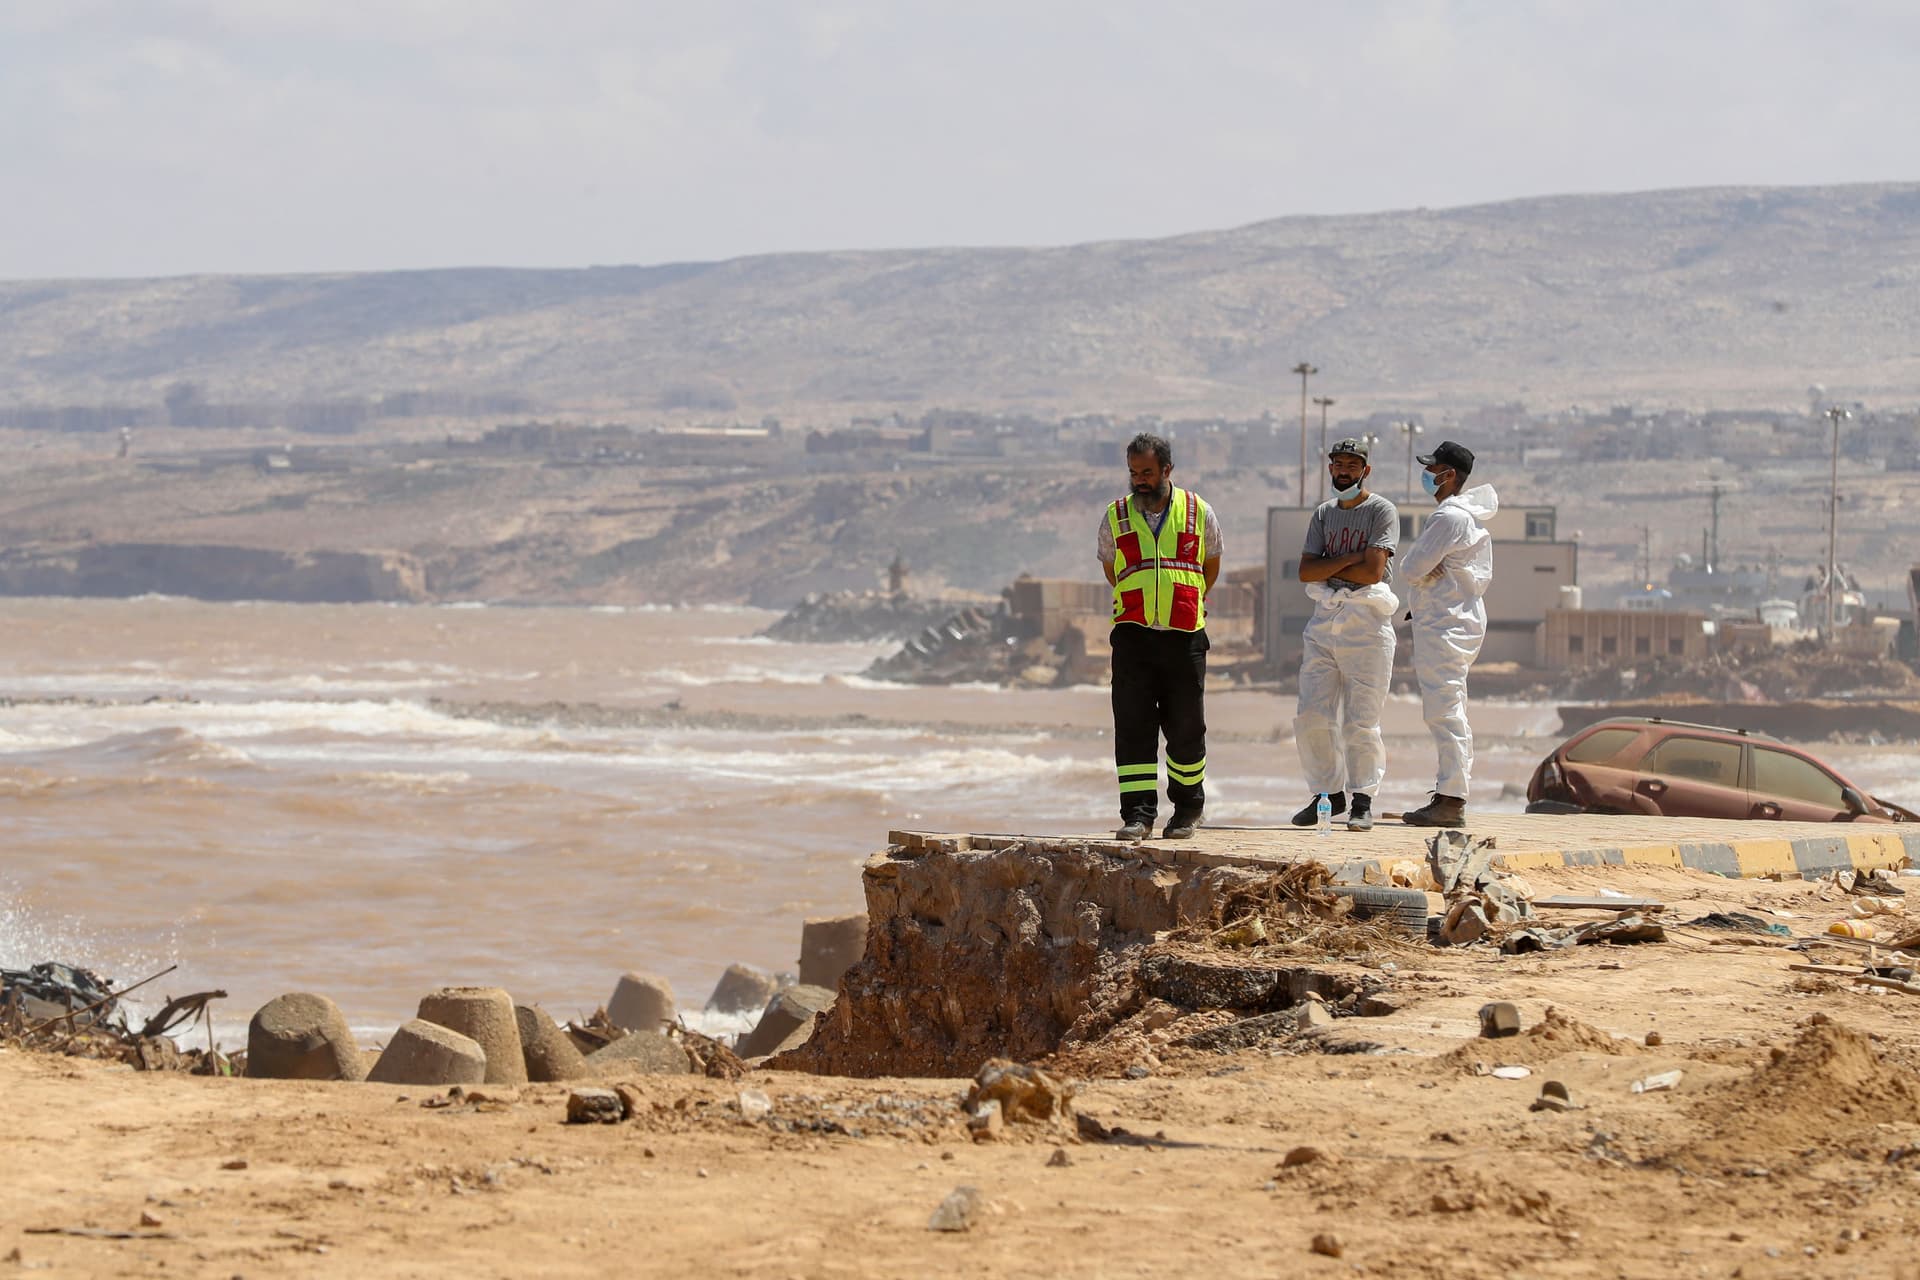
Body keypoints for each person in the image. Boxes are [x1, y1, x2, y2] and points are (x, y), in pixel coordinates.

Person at [1098, 433, 1221, 840]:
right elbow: (1111, 568)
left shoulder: (1198, 511)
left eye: (1147, 472)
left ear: (1167, 469)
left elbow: (1211, 564)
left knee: (1187, 728)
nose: (1140, 480)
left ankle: (1187, 809)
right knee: (1133, 728)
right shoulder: (1115, 515)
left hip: (1183, 636)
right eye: (1134, 473)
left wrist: (1182, 598)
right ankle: (1138, 815)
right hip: (1133, 638)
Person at [1290, 438, 1399, 832]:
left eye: (1352, 465)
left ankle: (1362, 800)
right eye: (1338, 464)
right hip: (1324, 622)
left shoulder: (1381, 511)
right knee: (1311, 715)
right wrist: (1354, 556)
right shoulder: (1323, 515)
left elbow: (1373, 574)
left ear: (1365, 470)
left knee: (1361, 721)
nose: (1344, 471)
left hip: (1367, 626)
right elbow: (1305, 571)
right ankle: (1326, 794)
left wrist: (1331, 566)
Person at [1397, 440, 1498, 828]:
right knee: (1451, 707)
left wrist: (1425, 568)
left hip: (1444, 624)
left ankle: (1452, 798)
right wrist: (1428, 568)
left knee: (1444, 711)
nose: (1428, 475)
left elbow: (1411, 567)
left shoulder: (1449, 519)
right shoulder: (1468, 518)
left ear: (1448, 475)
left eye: (1433, 468)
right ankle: (1451, 793)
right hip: (1456, 622)